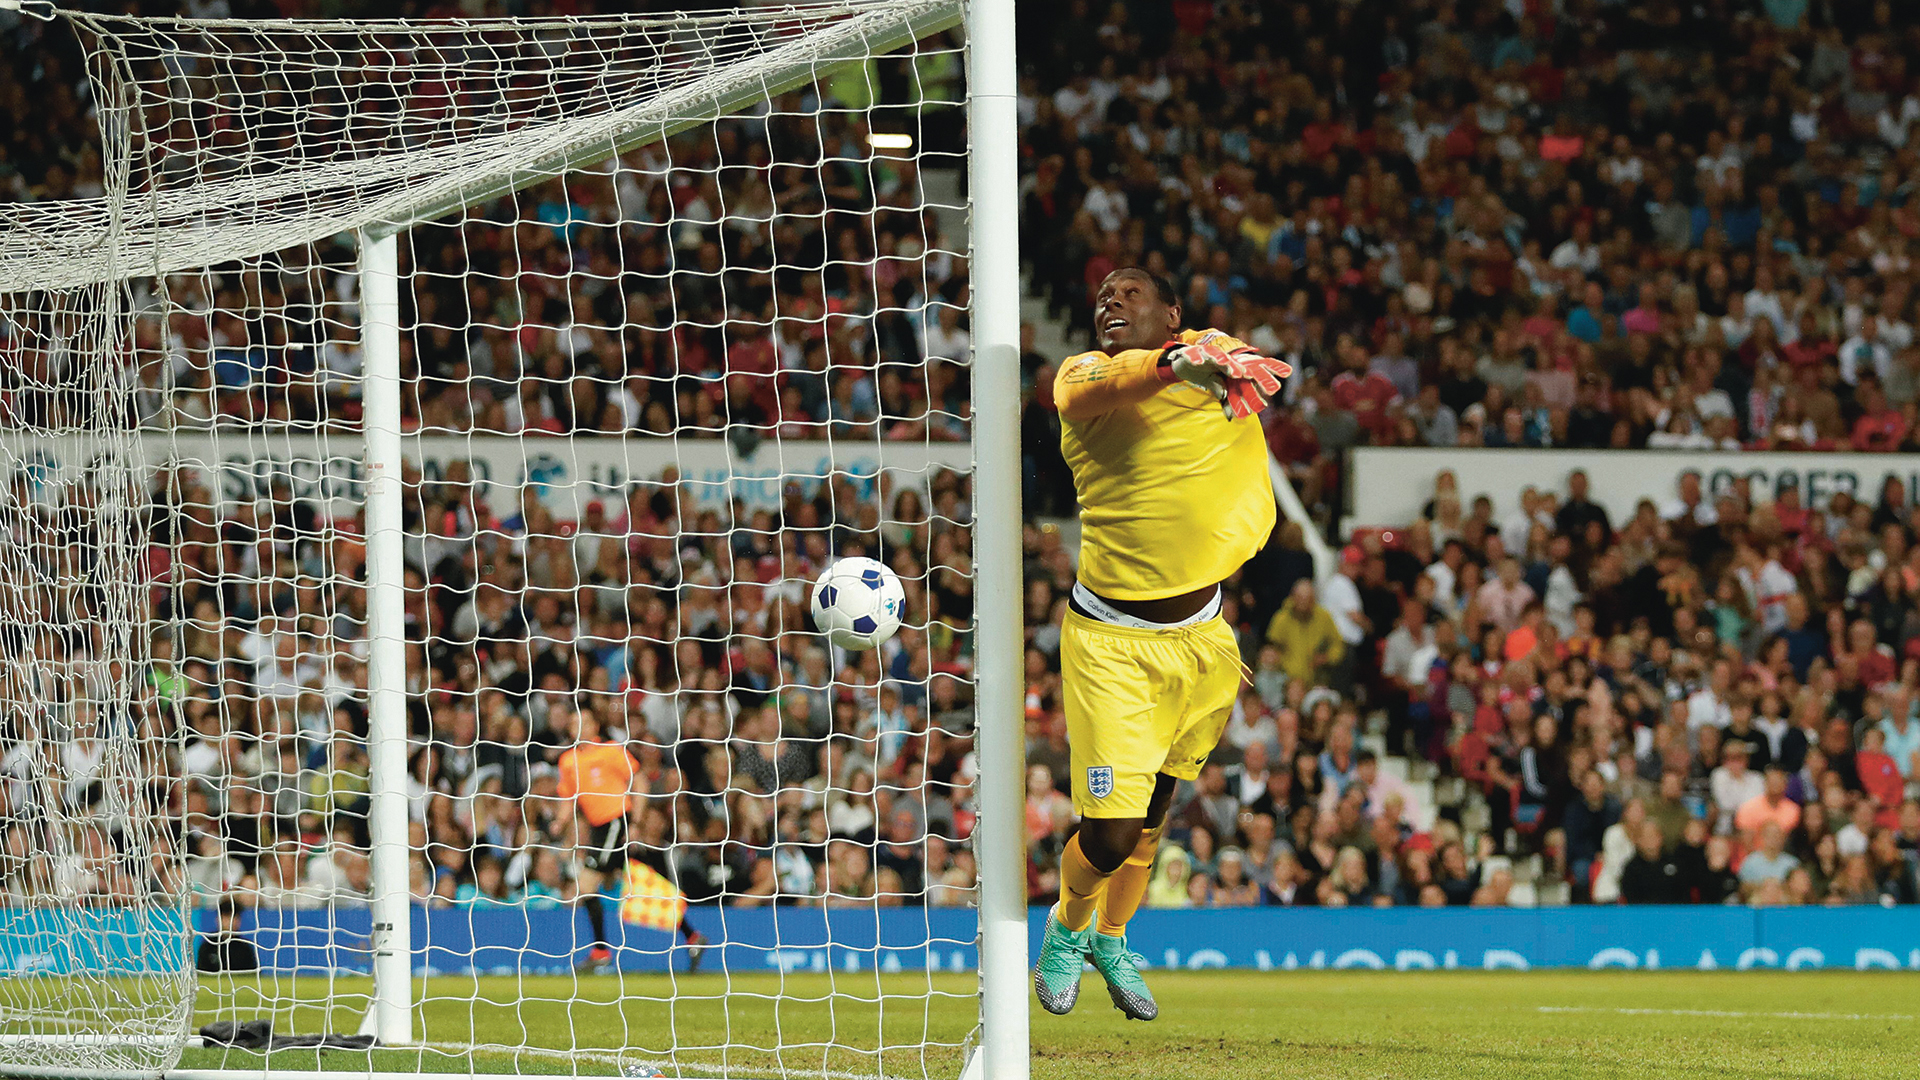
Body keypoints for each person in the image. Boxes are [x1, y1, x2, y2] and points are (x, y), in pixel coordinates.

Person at [1032, 267, 1290, 1022]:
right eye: (1102, 297)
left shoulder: (1215, 368)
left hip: (1204, 639)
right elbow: (1091, 394)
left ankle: (1113, 937)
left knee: (1154, 816)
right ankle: (1067, 927)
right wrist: (1179, 360)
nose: (1110, 303)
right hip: (1114, 646)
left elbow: (1231, 355)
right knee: (1108, 835)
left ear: (1171, 312)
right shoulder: (1086, 375)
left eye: (1129, 293)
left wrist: (1213, 352)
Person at [561, 710, 705, 973]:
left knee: (586, 886)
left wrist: (636, 822)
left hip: (617, 822)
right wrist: (557, 826)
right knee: (642, 884)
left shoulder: (611, 750)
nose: (580, 727)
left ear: (595, 726)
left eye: (586, 722)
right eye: (574, 723)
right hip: (597, 830)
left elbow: (639, 781)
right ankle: (693, 938)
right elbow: (568, 799)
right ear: (569, 730)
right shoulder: (567, 761)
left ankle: (600, 951)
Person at [196, 897, 259, 974]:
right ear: (218, 919)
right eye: (226, 917)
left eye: (233, 917)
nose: (229, 922)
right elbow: (201, 974)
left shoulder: (245, 948)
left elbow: (253, 976)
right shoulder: (208, 945)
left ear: (238, 921)